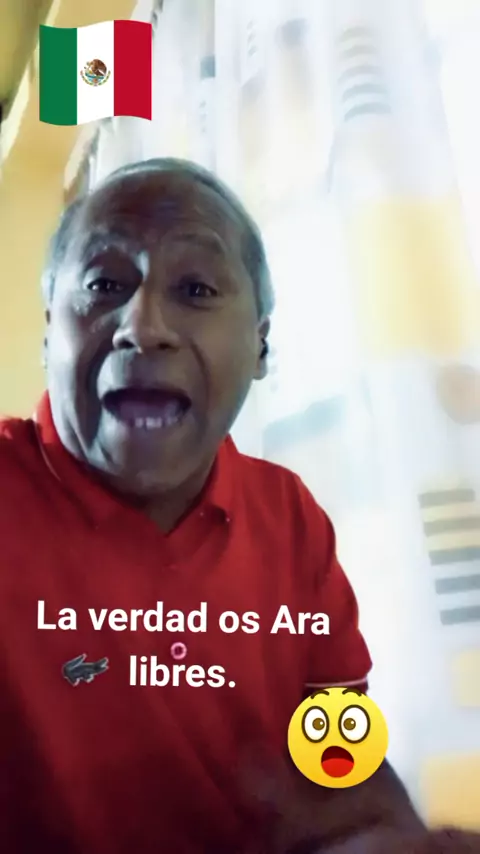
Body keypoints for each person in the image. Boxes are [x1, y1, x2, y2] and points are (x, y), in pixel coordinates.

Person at [0, 158, 478, 854]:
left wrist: (394, 838)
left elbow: (338, 754)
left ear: (261, 345)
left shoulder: (289, 514)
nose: (143, 326)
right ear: (50, 329)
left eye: (196, 288)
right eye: (104, 285)